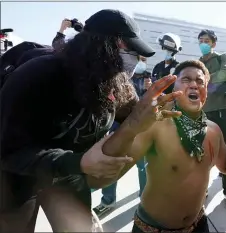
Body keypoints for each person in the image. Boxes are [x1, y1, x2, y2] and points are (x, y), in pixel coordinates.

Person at [0, 9, 180, 233]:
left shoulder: (117, 84)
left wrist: (150, 112)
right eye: (128, 49)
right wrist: (78, 163)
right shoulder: (38, 75)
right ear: (97, 44)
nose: (133, 59)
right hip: (19, 177)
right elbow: (9, 151)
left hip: (70, 176)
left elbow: (132, 119)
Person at [104, 60, 226, 233]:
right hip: (153, 228)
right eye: (186, 80)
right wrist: (128, 128)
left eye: (200, 82)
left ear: (206, 91)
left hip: (198, 224)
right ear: (174, 88)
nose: (194, 85)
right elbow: (108, 174)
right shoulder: (155, 126)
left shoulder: (213, 130)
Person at [93, 56, 153, 217]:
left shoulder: (148, 77)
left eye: (144, 59)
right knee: (112, 162)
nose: (140, 62)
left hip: (140, 127)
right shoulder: (118, 75)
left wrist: (150, 89)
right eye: (139, 58)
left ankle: (144, 200)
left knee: (143, 165)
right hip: (117, 125)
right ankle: (108, 200)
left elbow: (151, 103)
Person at [198, 29, 226, 212]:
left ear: (213, 43)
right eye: (200, 40)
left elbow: (225, 74)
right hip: (203, 112)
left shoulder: (223, 57)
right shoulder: (197, 63)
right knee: (202, 153)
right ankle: (202, 189)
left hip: (222, 111)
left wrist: (203, 80)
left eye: (206, 40)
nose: (203, 43)